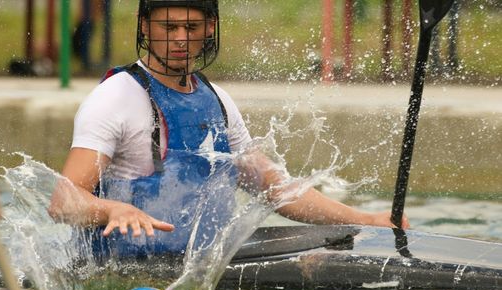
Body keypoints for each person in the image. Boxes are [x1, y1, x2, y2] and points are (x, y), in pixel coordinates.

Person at [51, 0, 408, 259]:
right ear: (144, 27)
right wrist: (113, 210)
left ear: (209, 29)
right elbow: (64, 201)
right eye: (168, 27)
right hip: (125, 274)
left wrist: (368, 220)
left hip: (201, 268)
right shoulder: (114, 98)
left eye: (191, 29)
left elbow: (275, 188)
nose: (179, 40)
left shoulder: (216, 100)